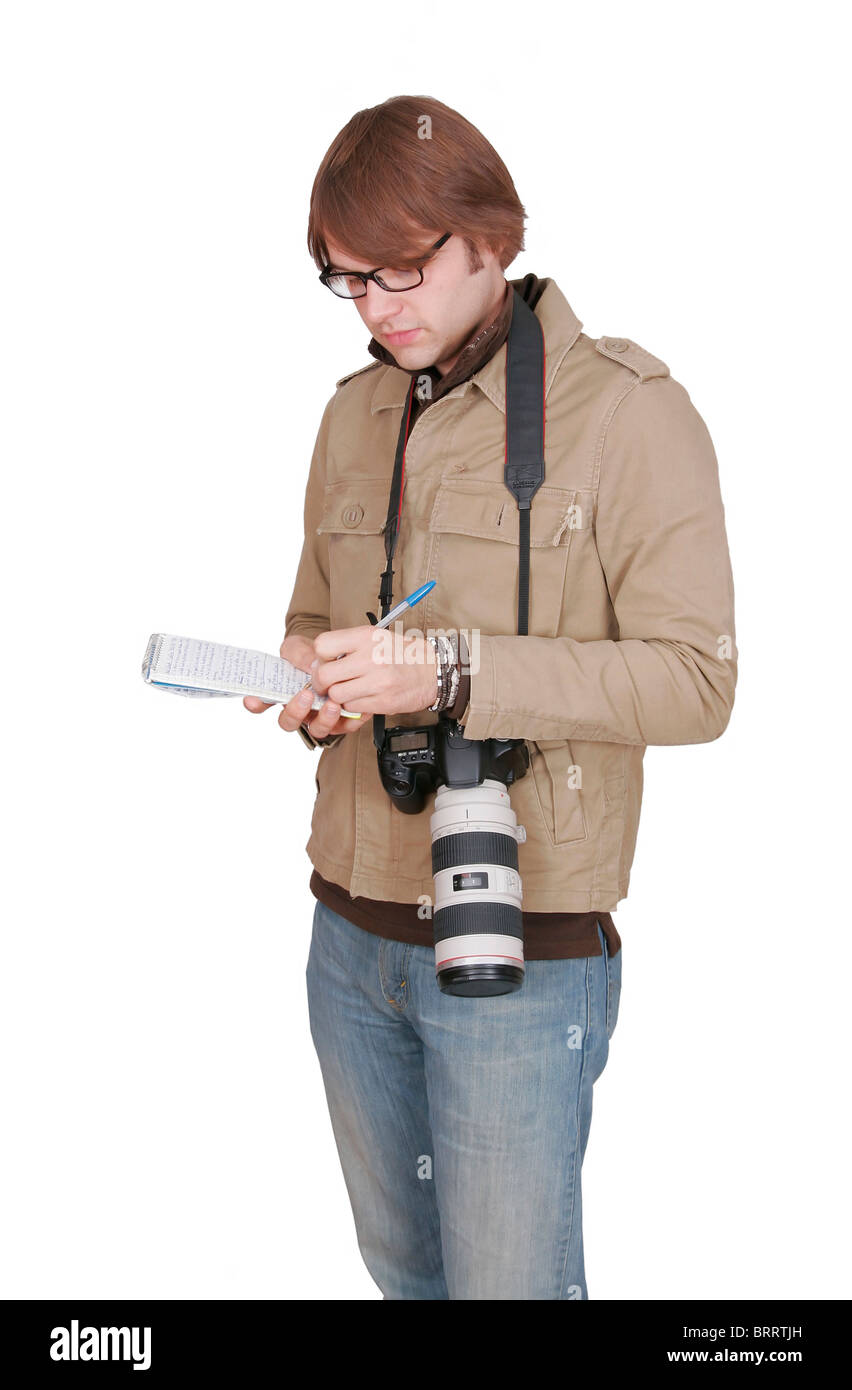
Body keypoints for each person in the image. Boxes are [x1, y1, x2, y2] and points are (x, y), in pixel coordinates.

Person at [244, 95, 737, 1300]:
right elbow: (317, 617)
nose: (378, 306)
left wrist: (456, 672)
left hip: (523, 942)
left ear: (490, 236)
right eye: (347, 280)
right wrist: (315, 681)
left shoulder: (629, 411)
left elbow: (700, 682)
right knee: (407, 1280)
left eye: (402, 268)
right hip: (348, 932)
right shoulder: (352, 413)